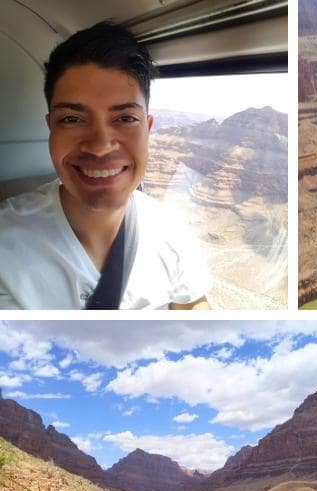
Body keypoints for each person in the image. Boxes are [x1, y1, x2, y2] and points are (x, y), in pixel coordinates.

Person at [0, 21, 211, 309]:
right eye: (72, 119)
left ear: (148, 128)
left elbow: (193, 309)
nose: (100, 146)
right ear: (51, 128)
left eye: (125, 118)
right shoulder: (7, 244)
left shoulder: (172, 232)